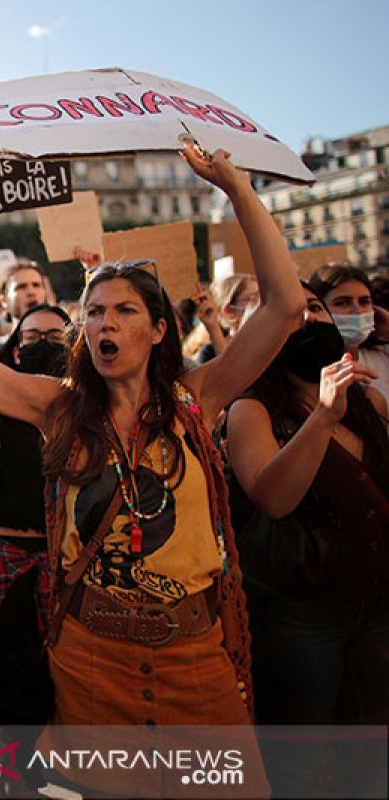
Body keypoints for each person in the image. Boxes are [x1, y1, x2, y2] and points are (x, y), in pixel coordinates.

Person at [0, 144, 300, 795]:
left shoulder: (197, 397)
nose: (105, 322)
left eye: (124, 310)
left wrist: (238, 190)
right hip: (90, 666)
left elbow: (283, 308)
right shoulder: (58, 407)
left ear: (160, 329)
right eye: (94, 312)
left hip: (195, 660)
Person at [224, 282, 389, 794]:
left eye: (315, 309)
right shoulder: (249, 410)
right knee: (295, 766)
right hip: (300, 615)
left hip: (377, 605)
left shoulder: (371, 402)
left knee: (372, 758)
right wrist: (320, 419)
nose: (308, 321)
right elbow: (275, 498)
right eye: (291, 314)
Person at [0, 304, 72, 723]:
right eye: (31, 337)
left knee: (67, 689)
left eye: (56, 338)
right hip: (6, 560)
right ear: (15, 350)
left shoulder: (90, 413)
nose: (43, 345)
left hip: (66, 566)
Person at [309, 264, 389, 402]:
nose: (357, 310)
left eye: (364, 302)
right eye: (342, 303)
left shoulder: (382, 355)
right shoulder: (308, 373)